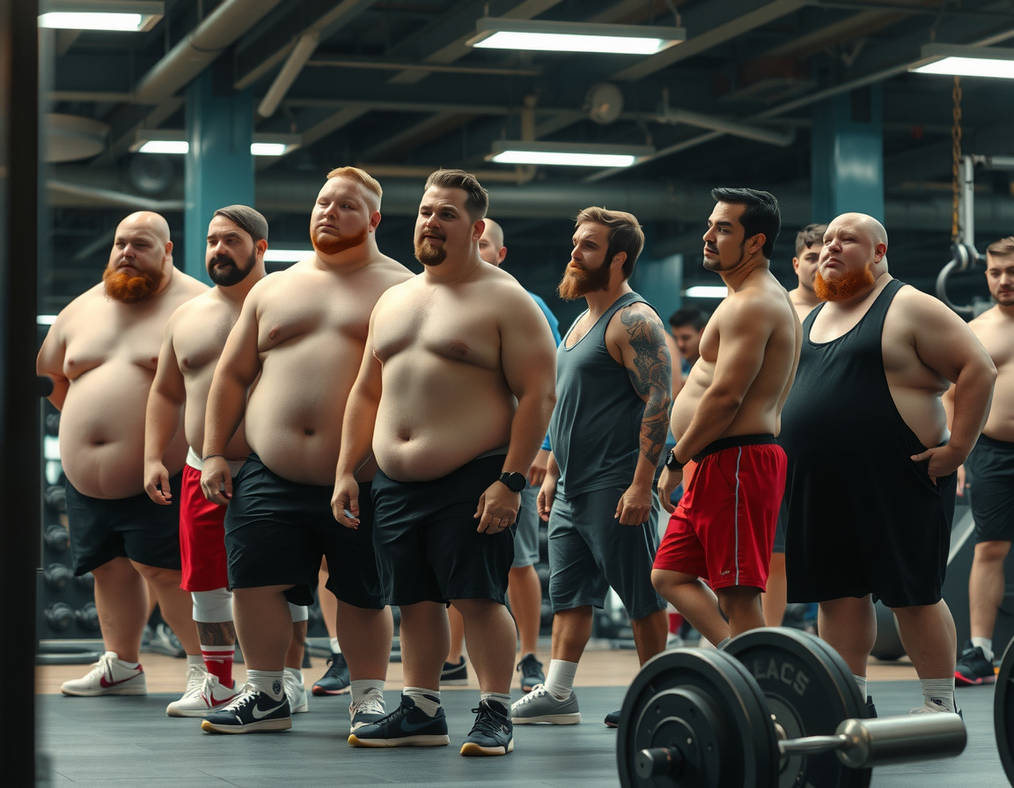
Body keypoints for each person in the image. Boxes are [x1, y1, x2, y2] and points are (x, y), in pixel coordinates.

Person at [333, 169, 556, 756]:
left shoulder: (506, 298)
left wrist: (510, 481)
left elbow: (539, 394)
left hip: (474, 475)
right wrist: (345, 470)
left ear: (475, 226)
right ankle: (422, 711)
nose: (432, 222)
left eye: (447, 214)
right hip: (396, 482)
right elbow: (365, 392)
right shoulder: (394, 299)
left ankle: (494, 711)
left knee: (480, 598)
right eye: (427, 212)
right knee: (415, 599)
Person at [198, 167, 413, 734]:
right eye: (323, 202)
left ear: (373, 220)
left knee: (363, 594)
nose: (329, 212)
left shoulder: (402, 288)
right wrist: (214, 451)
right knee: (254, 583)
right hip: (272, 470)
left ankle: (367, 698)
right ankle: (266, 693)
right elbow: (231, 374)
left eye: (346, 205)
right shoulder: (274, 289)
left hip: (365, 475)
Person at [781, 212, 995, 714]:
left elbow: (979, 368)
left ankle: (940, 704)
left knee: (912, 596)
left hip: (900, 478)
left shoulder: (910, 305)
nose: (832, 248)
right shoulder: (815, 316)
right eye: (827, 240)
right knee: (837, 596)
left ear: (878, 252)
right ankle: (848, 702)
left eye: (847, 240)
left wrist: (959, 448)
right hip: (823, 484)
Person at [143, 206, 311, 716]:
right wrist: (154, 456)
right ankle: (215, 681)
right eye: (213, 240)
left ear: (260, 248)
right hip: (199, 466)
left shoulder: (288, 304)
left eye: (231, 240)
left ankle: (288, 678)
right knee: (205, 580)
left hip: (271, 466)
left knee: (281, 578)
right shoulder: (186, 315)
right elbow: (165, 393)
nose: (218, 249)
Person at [509, 206, 670, 730]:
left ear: (619, 258)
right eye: (576, 242)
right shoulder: (581, 321)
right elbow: (568, 404)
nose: (575, 252)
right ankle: (558, 694)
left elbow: (659, 402)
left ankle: (656, 694)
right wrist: (553, 471)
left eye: (589, 246)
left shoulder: (635, 320)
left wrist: (643, 484)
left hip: (615, 484)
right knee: (570, 593)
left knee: (642, 596)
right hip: (572, 486)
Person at [36, 211, 207, 697]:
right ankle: (122, 665)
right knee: (107, 567)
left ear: (168, 251)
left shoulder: (196, 305)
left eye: (142, 245)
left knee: (167, 572)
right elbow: (50, 374)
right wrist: (89, 424)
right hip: (87, 479)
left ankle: (204, 670)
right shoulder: (82, 307)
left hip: (165, 473)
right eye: (120, 243)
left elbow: (223, 386)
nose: (127, 252)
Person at [651, 188, 800, 652]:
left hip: (736, 461)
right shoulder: (740, 298)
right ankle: (737, 663)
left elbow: (726, 396)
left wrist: (676, 458)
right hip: (718, 460)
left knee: (739, 595)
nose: (708, 236)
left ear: (755, 242)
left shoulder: (754, 303)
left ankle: (761, 694)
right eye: (711, 224)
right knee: (670, 574)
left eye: (723, 228)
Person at [442, 217, 560, 694]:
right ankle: (452, 657)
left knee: (518, 560)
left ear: (499, 254)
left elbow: (550, 385)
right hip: (454, 460)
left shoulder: (526, 305)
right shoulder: (442, 303)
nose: (475, 249)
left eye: (484, 243)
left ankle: (530, 655)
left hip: (512, 457)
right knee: (450, 559)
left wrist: (543, 450)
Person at [953, 237, 1014, 685]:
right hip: (990, 450)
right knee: (989, 547)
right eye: (995, 272)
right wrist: (957, 455)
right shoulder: (975, 330)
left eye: (1012, 271)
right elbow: (953, 394)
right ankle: (980, 651)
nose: (1004, 280)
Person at [763, 222, 826, 628]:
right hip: (778, 443)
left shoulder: (849, 310)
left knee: (832, 550)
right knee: (776, 552)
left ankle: (839, 656)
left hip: (831, 449)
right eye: (812, 258)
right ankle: (767, 637)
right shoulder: (777, 308)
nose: (820, 266)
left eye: (826, 259)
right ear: (796, 262)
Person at [667, 307, 707, 375]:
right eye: (675, 338)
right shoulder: (680, 365)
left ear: (702, 333)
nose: (680, 344)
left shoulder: (715, 367)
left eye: (685, 338)